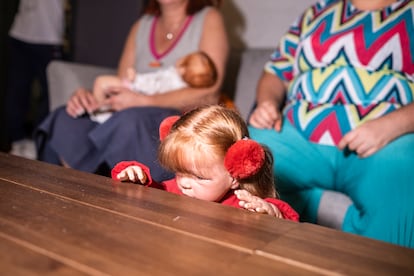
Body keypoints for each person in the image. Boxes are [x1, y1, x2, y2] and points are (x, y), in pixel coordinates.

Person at [248, 0, 414, 248]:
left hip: (384, 139)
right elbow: (276, 72)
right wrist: (267, 102)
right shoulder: (317, 11)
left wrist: (391, 125)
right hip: (297, 132)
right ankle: (312, 208)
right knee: (247, 157)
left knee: (403, 179)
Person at [35, 0, 229, 180]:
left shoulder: (209, 19)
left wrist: (144, 101)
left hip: (172, 118)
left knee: (129, 122)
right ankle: (67, 195)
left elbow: (209, 93)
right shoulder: (141, 26)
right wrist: (89, 96)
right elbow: (120, 84)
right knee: (66, 117)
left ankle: (90, 186)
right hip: (125, 113)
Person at [112, 105, 299, 221]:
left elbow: (290, 226)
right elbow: (153, 195)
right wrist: (136, 179)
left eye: (200, 177)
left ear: (235, 174)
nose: (184, 183)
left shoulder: (245, 206)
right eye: (180, 171)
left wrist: (272, 214)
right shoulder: (176, 190)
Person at [5, 0, 66, 159]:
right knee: (20, 91)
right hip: (34, 34)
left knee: (46, 93)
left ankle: (32, 141)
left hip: (42, 34)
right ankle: (21, 141)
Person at [90, 51, 217, 124]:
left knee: (101, 82)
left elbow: (154, 85)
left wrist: (136, 79)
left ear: (184, 68)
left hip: (137, 90)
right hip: (139, 89)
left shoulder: (172, 79)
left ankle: (101, 113)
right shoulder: (176, 80)